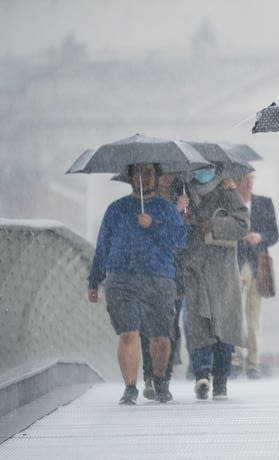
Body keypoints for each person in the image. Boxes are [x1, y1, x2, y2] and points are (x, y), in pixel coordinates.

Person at [87, 163, 187, 405]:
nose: (143, 178)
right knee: (128, 333)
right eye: (138, 173)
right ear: (130, 177)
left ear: (157, 177)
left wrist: (152, 225)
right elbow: (103, 246)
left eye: (148, 173)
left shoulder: (166, 210)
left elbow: (179, 240)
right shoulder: (116, 209)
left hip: (158, 277)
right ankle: (130, 388)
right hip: (121, 277)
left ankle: (160, 382)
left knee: (161, 337)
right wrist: (94, 280)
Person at [182, 164, 249, 400]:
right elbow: (175, 226)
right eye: (198, 168)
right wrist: (183, 215)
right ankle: (201, 373)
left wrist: (214, 226)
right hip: (194, 265)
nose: (203, 172)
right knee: (198, 322)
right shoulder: (183, 190)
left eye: (208, 167)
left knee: (224, 325)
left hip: (222, 268)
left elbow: (243, 225)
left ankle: (221, 380)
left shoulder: (227, 190)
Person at [139, 172, 189, 400]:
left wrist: (181, 213)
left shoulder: (185, 198)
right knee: (146, 327)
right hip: (148, 270)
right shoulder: (143, 204)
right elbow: (147, 235)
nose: (166, 180)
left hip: (175, 271)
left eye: (171, 176)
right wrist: (172, 215)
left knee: (170, 327)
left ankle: (163, 378)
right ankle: (148, 375)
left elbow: (180, 238)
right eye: (162, 175)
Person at [231, 171, 279, 379]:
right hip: (234, 264)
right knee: (236, 313)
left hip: (257, 265)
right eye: (245, 179)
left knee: (254, 316)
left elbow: (274, 234)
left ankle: (253, 362)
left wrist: (260, 236)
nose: (249, 183)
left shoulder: (264, 203)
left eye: (251, 179)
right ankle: (235, 359)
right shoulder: (230, 204)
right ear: (237, 181)